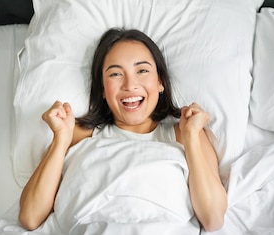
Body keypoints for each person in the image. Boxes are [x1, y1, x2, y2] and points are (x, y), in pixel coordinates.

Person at [18, 28, 227, 232]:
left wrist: (191, 138)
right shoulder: (77, 135)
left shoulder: (186, 133)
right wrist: (60, 140)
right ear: (102, 89)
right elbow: (30, 216)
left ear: (160, 82)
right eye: (116, 73)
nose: (130, 84)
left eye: (142, 70)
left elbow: (213, 218)